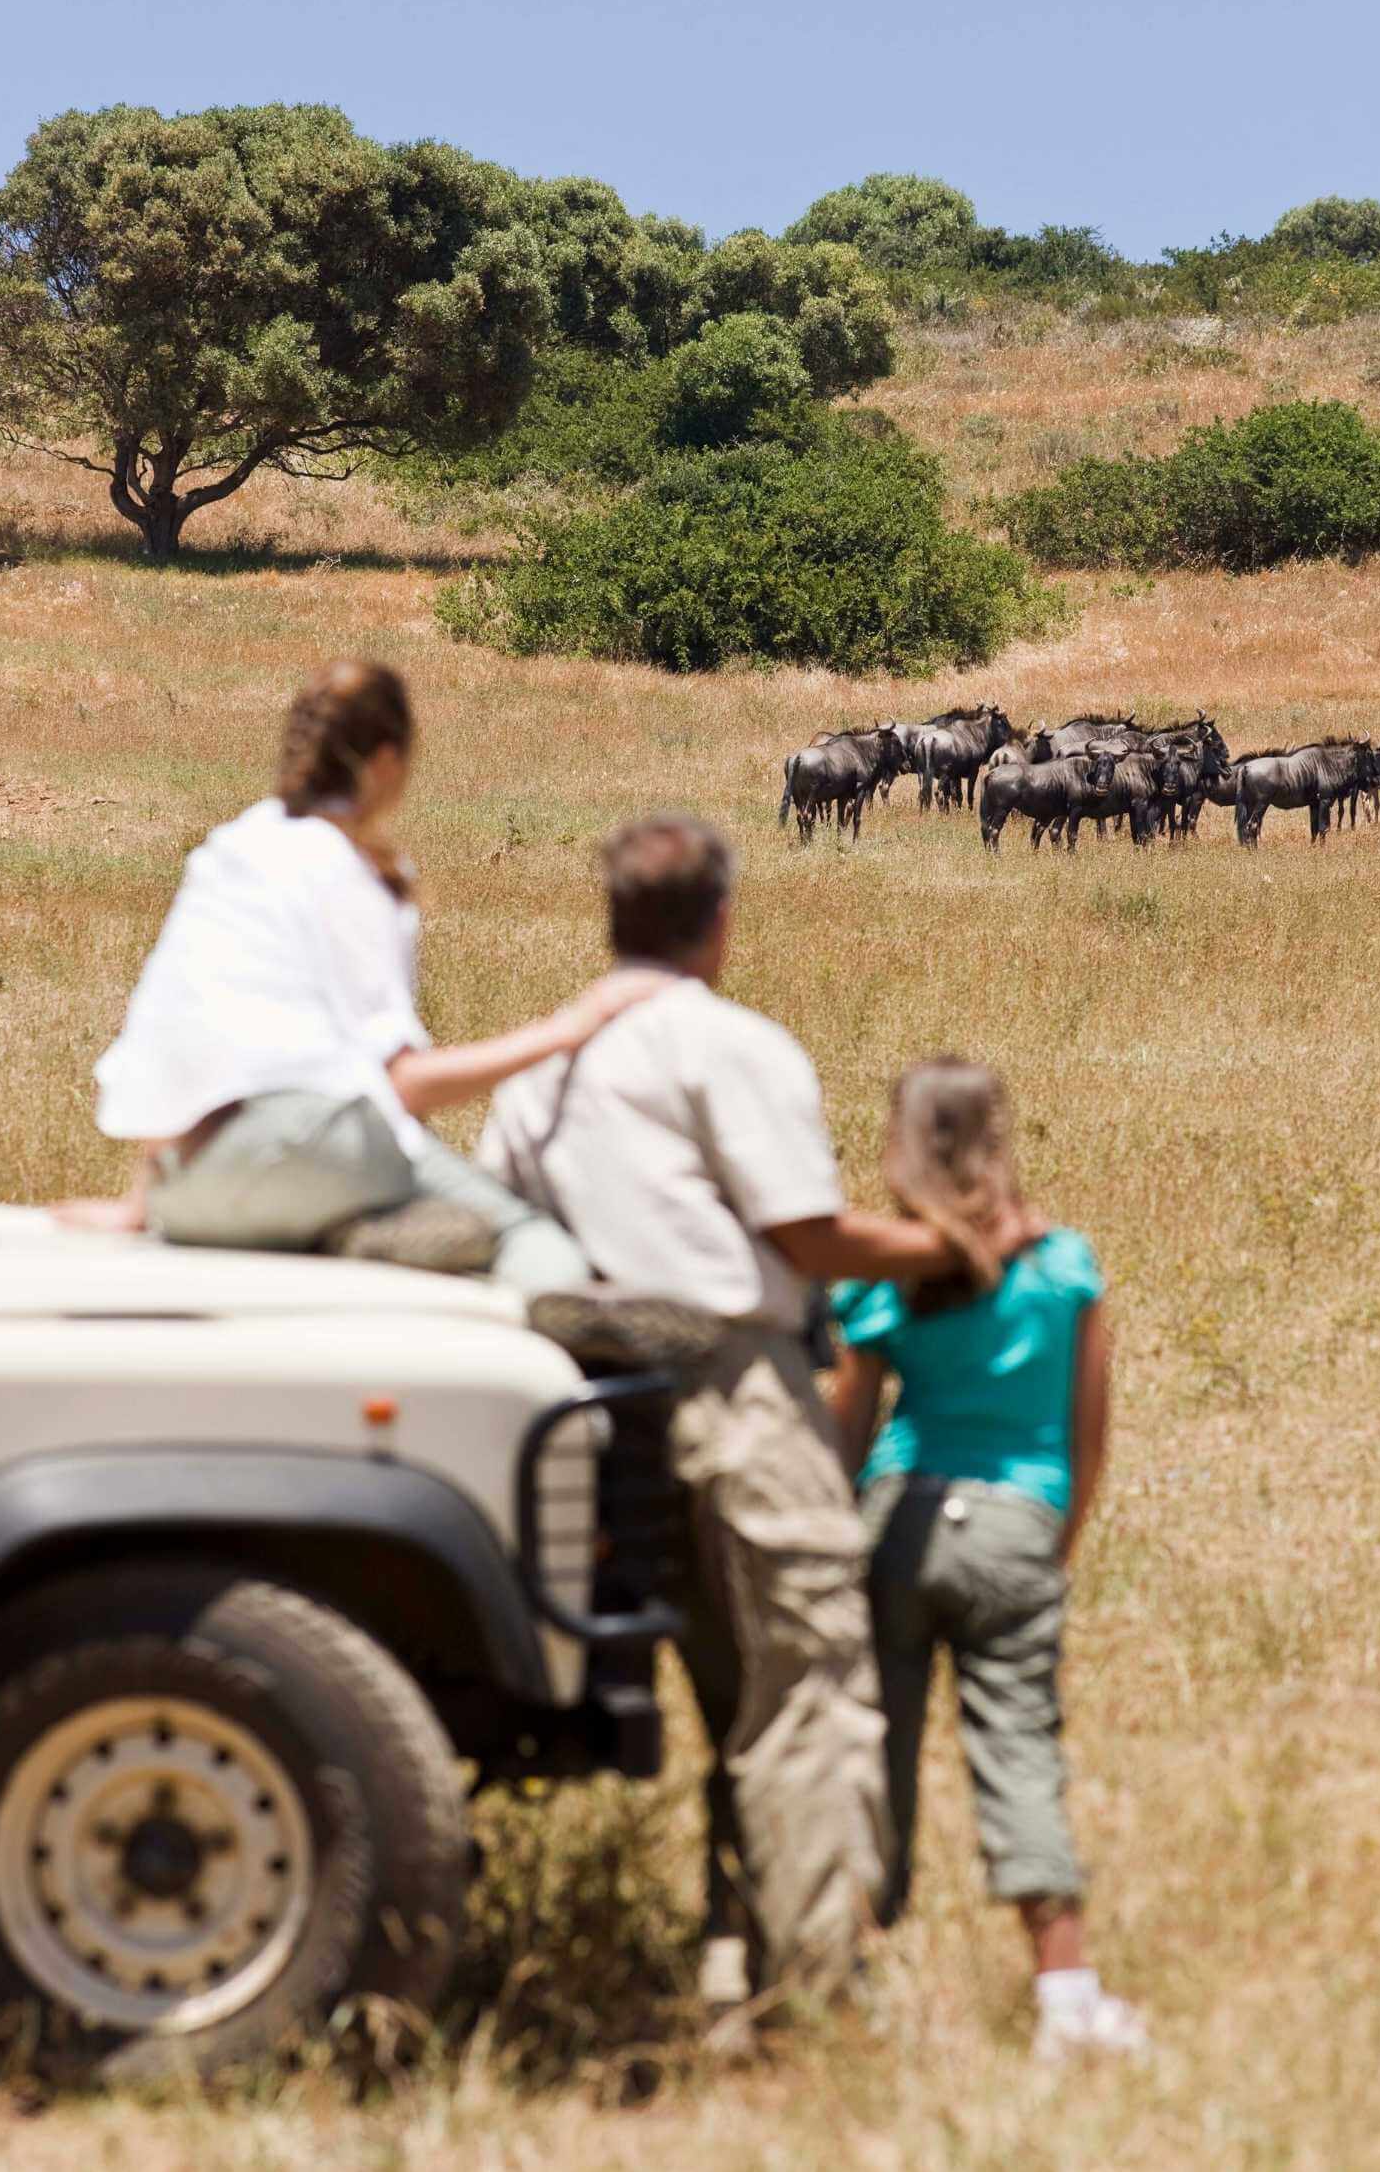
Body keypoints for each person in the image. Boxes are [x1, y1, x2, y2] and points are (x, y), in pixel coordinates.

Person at [476, 815, 1045, 2012]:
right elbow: (808, 1236)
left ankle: (728, 1944)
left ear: (611, 919)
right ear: (720, 920)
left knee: (710, 1682)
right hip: (732, 1385)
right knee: (802, 1679)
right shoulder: (730, 1044)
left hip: (583, 1402)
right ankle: (815, 1977)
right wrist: (959, 1244)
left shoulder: (538, 1071)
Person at [60, 660, 662, 1288]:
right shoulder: (354, 872)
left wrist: (140, 1207)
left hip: (184, 1190)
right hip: (309, 1155)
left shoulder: (230, 848)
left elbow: (171, 1031)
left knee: (373, 1178)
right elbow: (403, 1084)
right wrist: (576, 1024)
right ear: (382, 762)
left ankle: (348, 1225)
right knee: (525, 1233)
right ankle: (542, 1310)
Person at [825, 1060, 1147, 2064]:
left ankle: (851, 1980)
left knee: (873, 1754)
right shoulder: (1064, 1268)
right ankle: (1064, 1993)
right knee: (1018, 1749)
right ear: (1003, 1140)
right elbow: (1088, 1433)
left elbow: (846, 1430)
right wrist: (1056, 1540)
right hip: (1015, 1521)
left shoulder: (887, 1280)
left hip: (899, 1519)